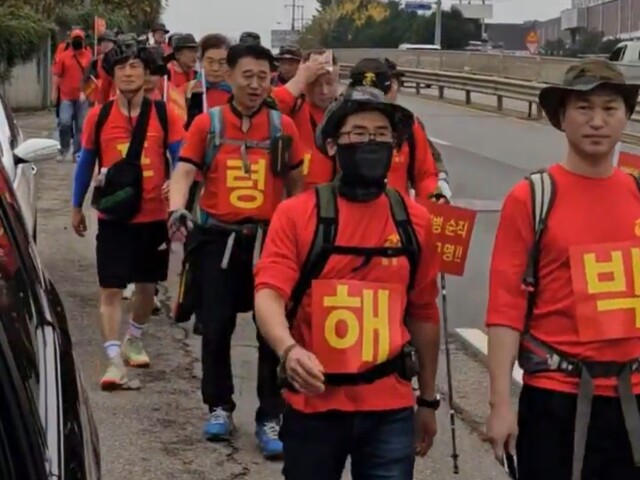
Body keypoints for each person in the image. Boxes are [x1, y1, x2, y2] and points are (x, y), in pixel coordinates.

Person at [254, 86, 441, 479]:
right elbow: (269, 293)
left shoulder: (415, 221)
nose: (370, 143)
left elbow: (424, 312)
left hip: (389, 409)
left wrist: (427, 399)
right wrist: (289, 350)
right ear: (334, 145)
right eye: (358, 134)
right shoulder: (296, 214)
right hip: (313, 407)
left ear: (395, 147)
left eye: (380, 135)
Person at [486, 59, 640, 480]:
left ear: (626, 116)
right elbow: (505, 308)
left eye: (610, 108)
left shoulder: (637, 191)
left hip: (634, 400)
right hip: (557, 398)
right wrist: (501, 404)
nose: (597, 121)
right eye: (583, 108)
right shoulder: (533, 197)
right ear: (561, 117)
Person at [168, 41, 305, 458]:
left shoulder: (283, 128)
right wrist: (177, 207)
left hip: (269, 243)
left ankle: (270, 416)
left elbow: (297, 186)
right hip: (216, 241)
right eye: (247, 75)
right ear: (228, 76)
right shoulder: (207, 124)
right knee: (216, 328)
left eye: (264, 77)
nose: (256, 84)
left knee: (272, 333)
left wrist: (299, 230)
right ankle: (218, 407)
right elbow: (186, 170)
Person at [71, 41, 185, 390]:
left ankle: (134, 337)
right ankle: (112, 361)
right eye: (121, 67)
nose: (128, 72)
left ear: (146, 72)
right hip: (113, 217)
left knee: (147, 288)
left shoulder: (166, 114)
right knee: (109, 289)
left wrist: (176, 187)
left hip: (153, 216)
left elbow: (183, 160)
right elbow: (85, 162)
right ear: (113, 74)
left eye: (135, 66)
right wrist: (76, 206)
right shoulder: (99, 115)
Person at [349, 58, 445, 203]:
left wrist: (434, 196)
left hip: (396, 219)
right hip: (349, 218)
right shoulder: (336, 125)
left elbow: (425, 175)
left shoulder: (408, 125)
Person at [271, 49, 341, 191]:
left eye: (330, 83)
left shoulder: (343, 112)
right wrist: (299, 80)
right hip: (297, 196)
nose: (324, 91)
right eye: (315, 84)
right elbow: (266, 108)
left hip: (331, 197)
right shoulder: (294, 106)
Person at [383, 58, 452, 200]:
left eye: (395, 83)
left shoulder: (408, 124)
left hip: (398, 216)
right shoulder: (343, 122)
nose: (391, 89)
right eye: (385, 83)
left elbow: (427, 172)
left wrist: (437, 193)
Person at [52, 28, 92, 162]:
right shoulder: (63, 57)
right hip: (66, 97)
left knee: (81, 126)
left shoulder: (89, 56)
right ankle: (64, 149)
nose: (77, 42)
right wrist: (54, 92)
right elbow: (57, 75)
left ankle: (77, 153)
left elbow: (92, 78)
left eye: (79, 39)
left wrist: (86, 93)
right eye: (75, 39)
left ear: (83, 41)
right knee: (64, 122)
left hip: (83, 97)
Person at [185, 33, 233, 129]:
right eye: (210, 62)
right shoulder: (187, 91)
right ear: (200, 61)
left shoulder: (238, 93)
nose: (215, 68)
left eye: (222, 63)